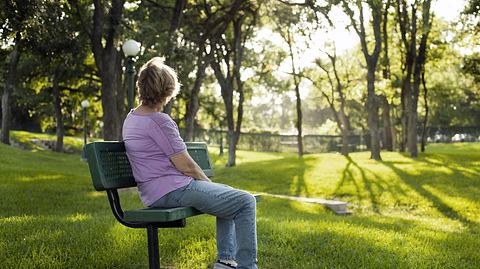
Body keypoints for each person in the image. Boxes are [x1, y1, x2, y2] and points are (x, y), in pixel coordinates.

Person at [122, 57, 258, 269]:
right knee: (245, 201)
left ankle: (226, 262)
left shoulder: (132, 117)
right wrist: (210, 186)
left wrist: (213, 189)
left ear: (141, 86)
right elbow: (186, 166)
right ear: (167, 90)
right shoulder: (159, 121)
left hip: (157, 191)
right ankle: (247, 267)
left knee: (230, 195)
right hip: (171, 190)